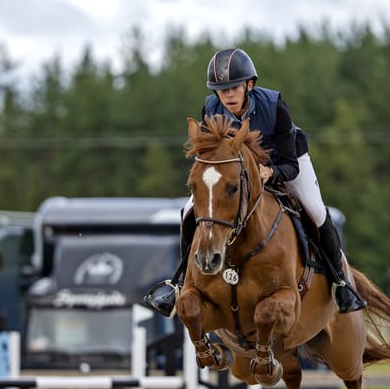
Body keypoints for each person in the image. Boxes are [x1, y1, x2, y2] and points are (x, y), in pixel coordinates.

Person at [144, 47, 366, 316]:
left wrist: (269, 172)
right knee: (189, 211)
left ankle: (340, 283)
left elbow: (290, 165)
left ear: (249, 85)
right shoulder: (211, 107)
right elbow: (210, 153)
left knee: (317, 210)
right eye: (221, 89)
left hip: (284, 160)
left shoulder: (275, 106)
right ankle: (179, 282)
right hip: (235, 172)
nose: (227, 95)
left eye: (233, 88)